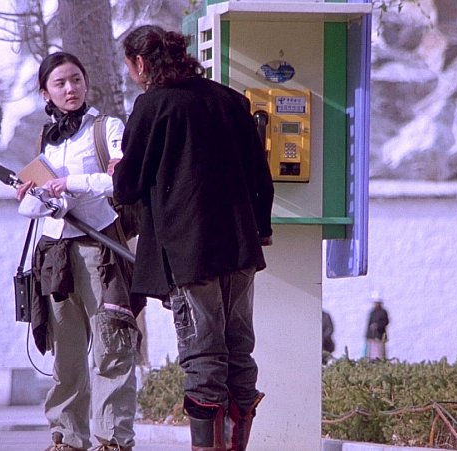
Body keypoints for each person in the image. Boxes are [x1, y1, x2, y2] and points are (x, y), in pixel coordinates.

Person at [114, 25, 274, 451]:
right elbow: (261, 177)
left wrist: (118, 170)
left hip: (189, 253)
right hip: (241, 248)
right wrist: (261, 229)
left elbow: (127, 187)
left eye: (130, 66)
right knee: (239, 352)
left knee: (203, 356)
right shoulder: (230, 100)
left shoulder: (152, 106)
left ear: (141, 63)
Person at [16, 51, 142, 451]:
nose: (70, 89)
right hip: (54, 252)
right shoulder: (46, 139)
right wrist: (33, 196)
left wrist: (72, 184)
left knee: (111, 346)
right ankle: (68, 438)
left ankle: (114, 439)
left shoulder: (107, 129)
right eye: (60, 83)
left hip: (100, 249)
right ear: (45, 93)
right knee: (66, 353)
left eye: (76, 80)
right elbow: (35, 206)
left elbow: (121, 181)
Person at [364, 294, 389, 359]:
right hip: (372, 337)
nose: (375, 304)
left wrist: (377, 326)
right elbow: (369, 324)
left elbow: (386, 322)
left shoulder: (383, 312)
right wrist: (368, 336)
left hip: (380, 336)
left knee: (380, 354)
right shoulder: (372, 312)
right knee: (371, 355)